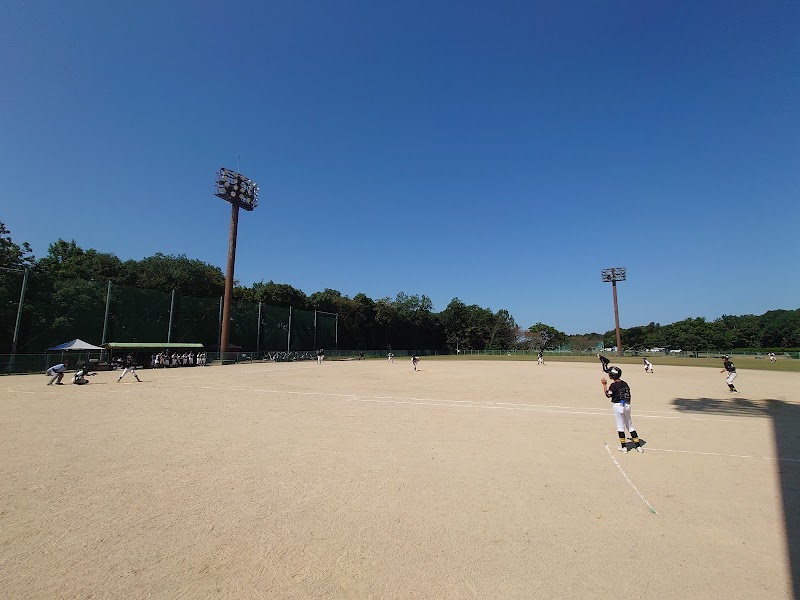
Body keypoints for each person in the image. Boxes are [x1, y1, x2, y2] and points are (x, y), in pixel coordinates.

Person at [601, 366, 643, 454]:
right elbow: (628, 395)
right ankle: (638, 446)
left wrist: (604, 385)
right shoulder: (625, 383)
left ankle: (624, 447)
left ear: (612, 375)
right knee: (630, 426)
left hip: (618, 405)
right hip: (627, 405)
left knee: (620, 426)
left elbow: (608, 394)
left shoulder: (613, 385)